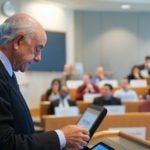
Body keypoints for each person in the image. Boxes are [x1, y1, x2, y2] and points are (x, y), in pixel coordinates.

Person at [0, 13, 89, 150]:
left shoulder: (7, 72)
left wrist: (58, 142)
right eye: (37, 49)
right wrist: (61, 137)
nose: (38, 58)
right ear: (18, 42)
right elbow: (6, 144)